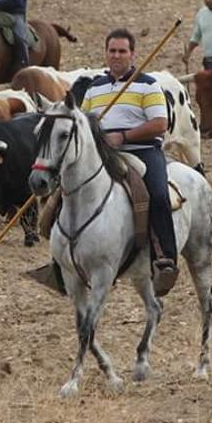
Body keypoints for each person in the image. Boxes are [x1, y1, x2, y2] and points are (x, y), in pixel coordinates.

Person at [82, 29, 179, 295]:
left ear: (132, 54)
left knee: (158, 195)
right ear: (105, 52)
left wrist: (123, 136)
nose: (116, 56)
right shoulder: (94, 88)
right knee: (65, 191)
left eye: (122, 51)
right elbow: (84, 124)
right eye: (112, 50)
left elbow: (160, 124)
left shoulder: (147, 84)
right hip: (102, 154)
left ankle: (165, 259)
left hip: (142, 151)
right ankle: (62, 257)